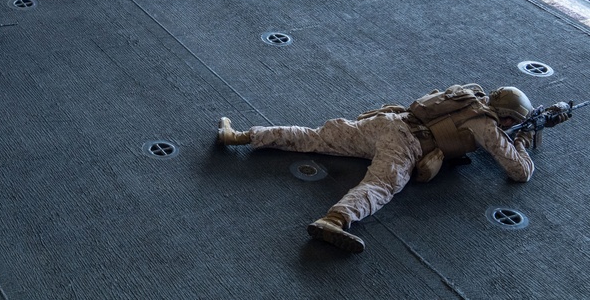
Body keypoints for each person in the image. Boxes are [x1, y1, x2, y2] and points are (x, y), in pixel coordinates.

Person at [216, 84, 571, 254]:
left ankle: (240, 135)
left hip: (388, 122)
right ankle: (335, 220)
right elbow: (519, 172)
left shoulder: (473, 97)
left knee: (317, 137)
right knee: (383, 184)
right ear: (509, 118)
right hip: (406, 144)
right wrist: (521, 142)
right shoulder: (487, 125)